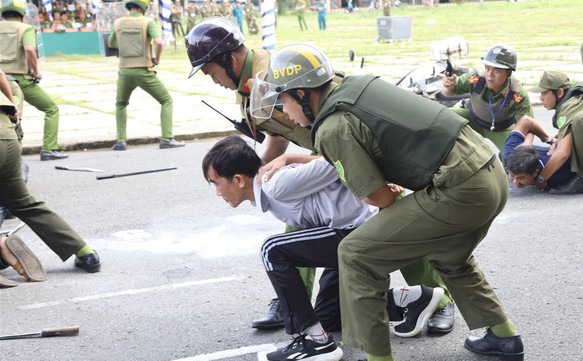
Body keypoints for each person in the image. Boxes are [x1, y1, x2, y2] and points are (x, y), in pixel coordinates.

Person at [254, 43, 524, 361]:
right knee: (450, 255)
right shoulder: (356, 86)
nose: (285, 113)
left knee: (355, 253)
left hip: (461, 187)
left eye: (284, 101)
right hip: (489, 171)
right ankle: (504, 336)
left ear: (303, 94)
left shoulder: (332, 126)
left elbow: (378, 198)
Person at [185, 18, 455, 334]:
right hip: (328, 155)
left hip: (354, 150)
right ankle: (292, 301)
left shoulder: (277, 75)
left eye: (211, 71)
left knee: (391, 220)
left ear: (228, 60)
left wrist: (289, 163)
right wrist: (257, 175)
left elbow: (335, 124)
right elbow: (280, 134)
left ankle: (439, 299)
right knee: (295, 223)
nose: (212, 79)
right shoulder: (248, 87)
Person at [202, 136, 444, 361]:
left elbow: (339, 159)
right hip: (349, 231)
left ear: (238, 179)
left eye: (216, 183)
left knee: (272, 250)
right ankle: (410, 298)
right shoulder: (271, 190)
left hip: (360, 232)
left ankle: (315, 341)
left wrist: (289, 158)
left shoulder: (277, 184)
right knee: (329, 317)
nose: (216, 192)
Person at [0, 69, 101, 278]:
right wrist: (13, 109)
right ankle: (84, 252)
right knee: (23, 202)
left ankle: (2, 252)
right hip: (8, 138)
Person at [107, 0, 185, 151]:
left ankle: (121, 141)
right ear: (143, 8)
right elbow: (159, 42)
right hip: (144, 71)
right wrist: (157, 59)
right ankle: (167, 138)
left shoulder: (118, 23)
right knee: (166, 100)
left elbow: (111, 44)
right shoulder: (147, 22)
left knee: (121, 104)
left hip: (124, 71)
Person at [0, 0, 69, 161]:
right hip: (20, 81)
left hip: (1, 79)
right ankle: (48, 149)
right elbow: (30, 49)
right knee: (51, 109)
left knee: (8, 118)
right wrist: (36, 72)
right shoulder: (26, 28)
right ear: (22, 16)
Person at [441, 44, 533, 153]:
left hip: (501, 130)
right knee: (441, 117)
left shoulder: (517, 93)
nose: (490, 74)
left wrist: (526, 145)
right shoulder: (475, 78)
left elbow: (529, 125)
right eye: (487, 68)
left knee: (513, 159)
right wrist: (448, 86)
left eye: (497, 70)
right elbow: (450, 92)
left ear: (508, 73)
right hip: (472, 120)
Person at [503, 116, 575, 191]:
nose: (515, 181)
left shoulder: (555, 177)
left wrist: (559, 143)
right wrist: (547, 139)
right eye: (511, 175)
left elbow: (568, 148)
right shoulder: (509, 152)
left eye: (521, 178)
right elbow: (526, 121)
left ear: (535, 173)